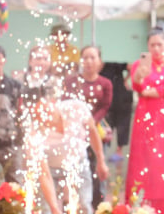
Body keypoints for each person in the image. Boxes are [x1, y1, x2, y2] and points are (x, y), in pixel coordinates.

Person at [126, 27, 164, 214]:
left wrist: (154, 91)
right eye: (152, 45)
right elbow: (137, 86)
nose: (156, 49)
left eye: (159, 44)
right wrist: (139, 77)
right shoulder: (140, 64)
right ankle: (139, 207)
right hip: (144, 120)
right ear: (147, 46)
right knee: (142, 161)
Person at [25, 86, 109, 214]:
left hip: (78, 164)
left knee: (83, 205)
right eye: (37, 116)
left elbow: (92, 131)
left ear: (52, 102)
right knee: (45, 210)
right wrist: (54, 208)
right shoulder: (33, 132)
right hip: (51, 169)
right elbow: (44, 173)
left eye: (46, 112)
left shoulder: (75, 108)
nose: (44, 119)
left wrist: (101, 160)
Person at [63, 45, 113, 209]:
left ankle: (98, 207)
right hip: (74, 134)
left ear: (100, 61)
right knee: (74, 172)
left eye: (93, 57)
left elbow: (105, 106)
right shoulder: (71, 81)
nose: (89, 61)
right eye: (85, 57)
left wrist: (91, 121)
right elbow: (66, 103)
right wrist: (78, 122)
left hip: (95, 130)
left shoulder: (105, 83)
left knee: (97, 171)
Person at [0, 45, 25, 184]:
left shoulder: (15, 86)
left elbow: (21, 115)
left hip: (11, 145)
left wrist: (21, 140)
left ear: (4, 61)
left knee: (15, 187)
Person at [100, 60, 133, 162]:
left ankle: (119, 151)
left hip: (122, 98)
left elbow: (131, 67)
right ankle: (102, 151)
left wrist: (126, 80)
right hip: (107, 99)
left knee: (122, 125)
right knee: (106, 124)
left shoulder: (112, 64)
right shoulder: (94, 70)